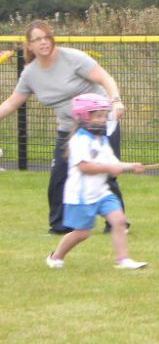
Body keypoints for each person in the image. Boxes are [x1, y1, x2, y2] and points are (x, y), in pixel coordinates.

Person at [0, 21, 128, 234]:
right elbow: (12, 103)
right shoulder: (30, 73)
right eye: (37, 39)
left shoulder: (73, 58)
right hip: (70, 129)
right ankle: (59, 226)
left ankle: (117, 224)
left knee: (104, 172)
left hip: (99, 123)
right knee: (59, 175)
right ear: (29, 45)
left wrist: (116, 100)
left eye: (46, 37)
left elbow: (106, 78)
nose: (43, 42)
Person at [45, 94, 146, 270]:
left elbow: (113, 163)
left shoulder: (102, 140)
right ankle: (56, 257)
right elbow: (85, 167)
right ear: (83, 117)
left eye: (104, 116)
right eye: (98, 116)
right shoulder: (79, 140)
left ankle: (123, 260)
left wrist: (131, 166)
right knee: (82, 233)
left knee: (119, 221)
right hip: (81, 196)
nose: (103, 120)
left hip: (102, 193)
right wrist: (109, 168)